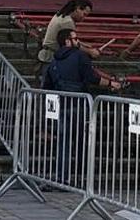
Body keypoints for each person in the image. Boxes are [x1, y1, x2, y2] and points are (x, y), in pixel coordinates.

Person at [42, 28, 122, 185]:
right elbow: (92, 77)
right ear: (67, 41)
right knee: (80, 141)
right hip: (79, 104)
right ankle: (81, 177)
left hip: (61, 105)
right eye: (75, 38)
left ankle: (62, 176)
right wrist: (111, 83)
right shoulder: (80, 56)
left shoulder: (54, 61)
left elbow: (47, 86)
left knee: (63, 143)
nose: (78, 41)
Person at [38, 0, 98, 76]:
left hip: (48, 57)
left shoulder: (60, 15)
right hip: (52, 59)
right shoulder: (67, 22)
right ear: (78, 9)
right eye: (84, 14)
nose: (84, 18)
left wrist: (84, 45)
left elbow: (66, 39)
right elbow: (72, 44)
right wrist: (90, 52)